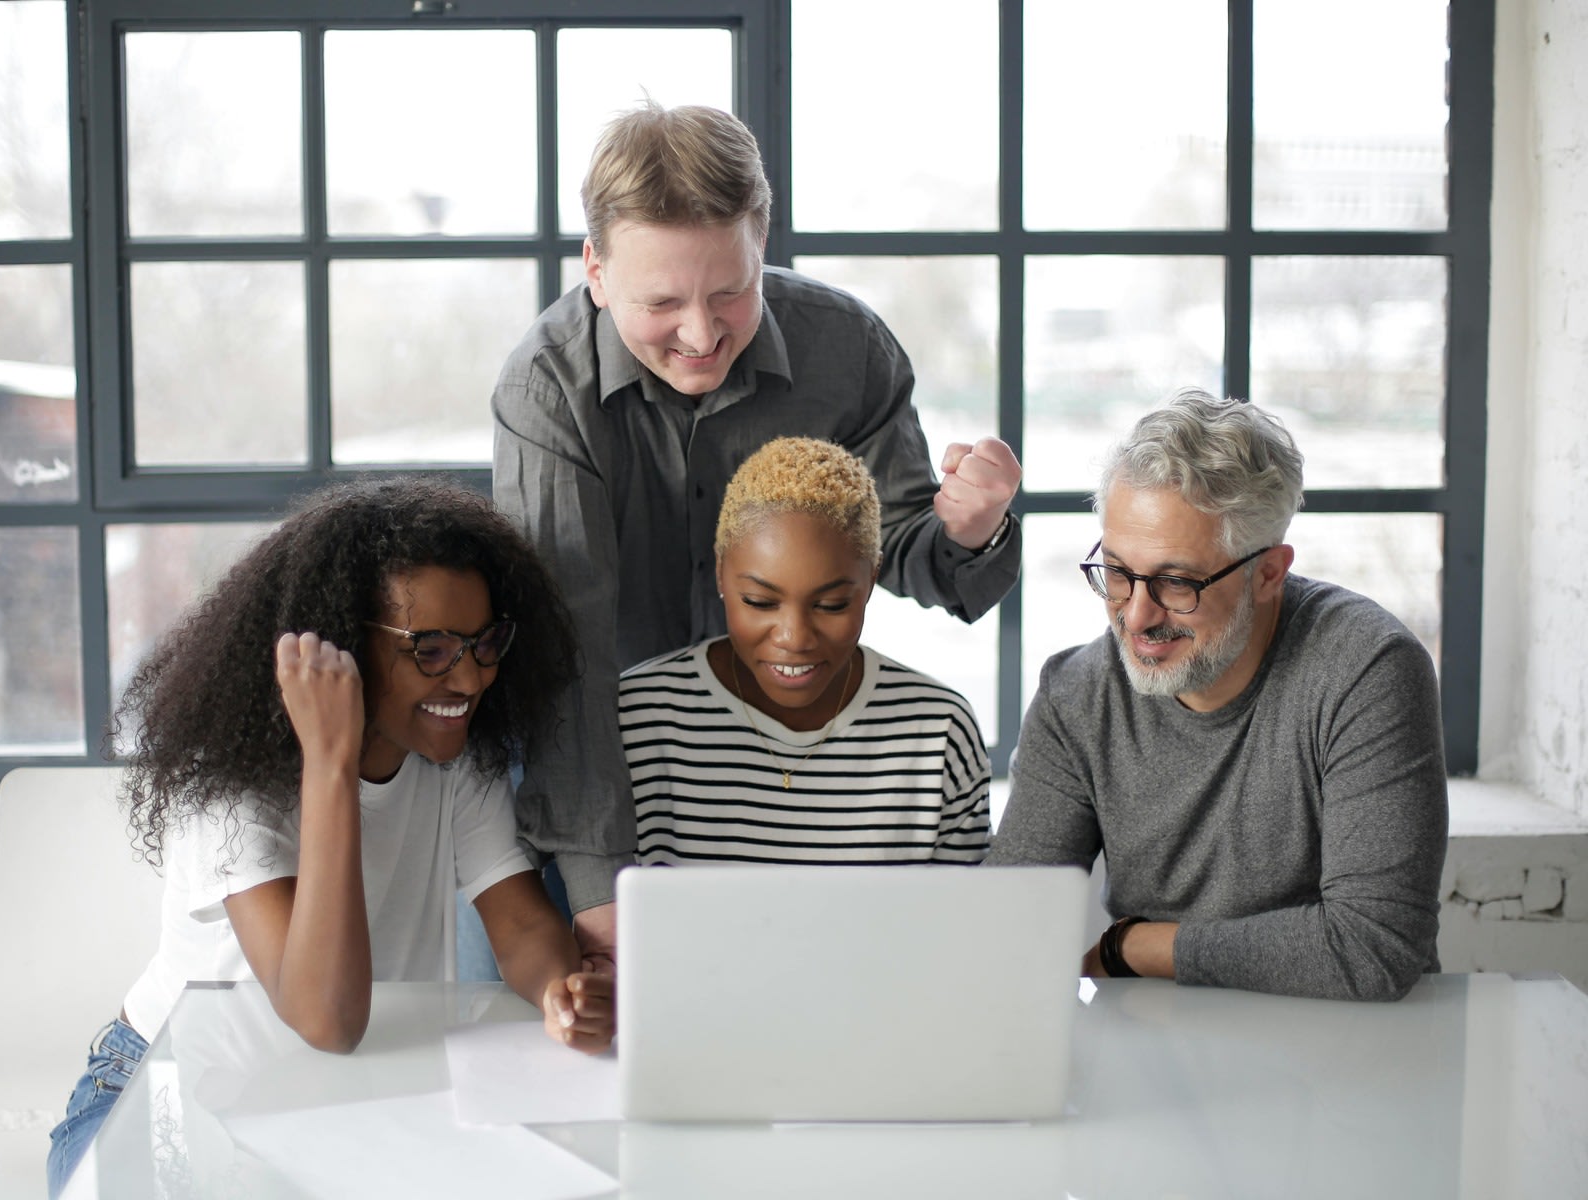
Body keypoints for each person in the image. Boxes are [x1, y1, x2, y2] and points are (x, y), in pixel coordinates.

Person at [493, 102, 1022, 953]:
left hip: (798, 785)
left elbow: (912, 558)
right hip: (607, 775)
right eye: (661, 301)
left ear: (761, 242)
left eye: (731, 292)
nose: (701, 334)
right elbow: (564, 649)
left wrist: (971, 528)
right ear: (594, 269)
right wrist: (597, 889)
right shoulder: (547, 388)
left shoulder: (847, 351)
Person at [46, 479, 614, 1198]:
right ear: (341, 646)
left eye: (484, 642)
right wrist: (331, 762)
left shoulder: (456, 761)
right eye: (431, 649)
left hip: (335, 1104)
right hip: (155, 1095)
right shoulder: (233, 786)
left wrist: (561, 991)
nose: (470, 676)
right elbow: (325, 1016)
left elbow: (523, 926)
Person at [985, 389, 1447, 1001]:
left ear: (1268, 573)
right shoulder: (1077, 695)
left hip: (1349, 1050)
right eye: (1118, 572)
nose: (1137, 616)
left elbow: (1373, 946)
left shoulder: (1367, 670)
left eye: (1177, 582)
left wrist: (1137, 947)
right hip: (1156, 1058)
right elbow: (1010, 927)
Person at [620, 437, 991, 865]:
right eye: (759, 602)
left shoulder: (938, 732)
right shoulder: (640, 718)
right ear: (721, 575)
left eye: (831, 605)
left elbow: (966, 922)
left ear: (870, 581)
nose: (794, 638)